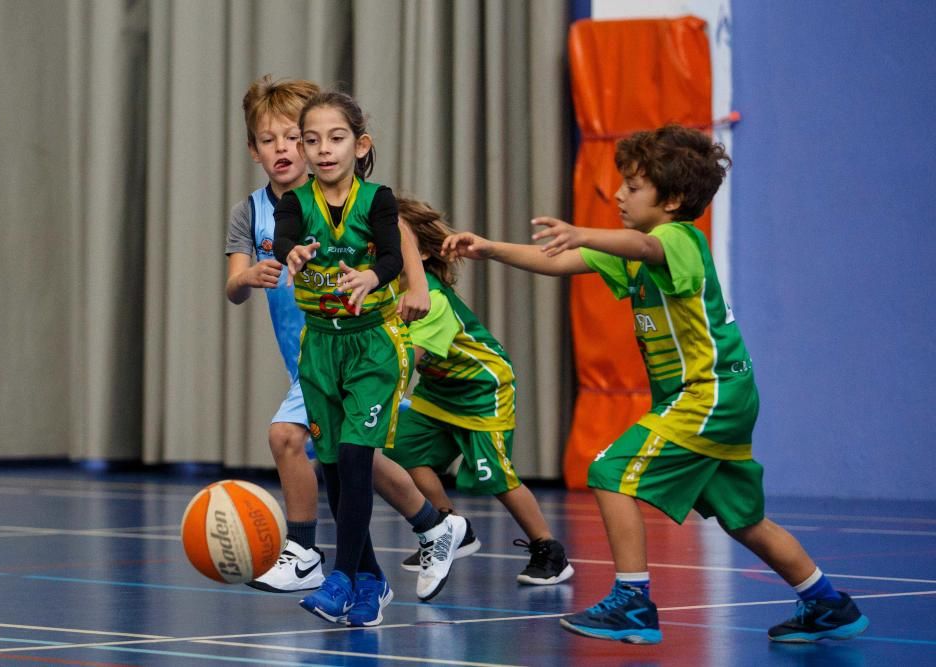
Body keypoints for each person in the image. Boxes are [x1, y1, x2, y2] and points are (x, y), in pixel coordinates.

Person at [442, 124, 869, 644]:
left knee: (609, 471)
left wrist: (585, 231)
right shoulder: (635, 249)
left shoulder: (679, 239)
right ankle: (828, 605)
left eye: (633, 186)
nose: (619, 194)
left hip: (709, 392)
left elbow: (644, 244)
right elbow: (559, 261)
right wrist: (489, 248)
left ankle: (633, 602)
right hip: (713, 398)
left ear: (673, 199)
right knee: (744, 519)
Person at [224, 78, 465, 623]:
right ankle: (423, 534)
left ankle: (310, 553)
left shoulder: (353, 196)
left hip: (367, 346)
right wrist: (262, 270)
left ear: (352, 145)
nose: (286, 149)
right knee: (352, 464)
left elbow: (398, 232)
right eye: (273, 140)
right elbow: (238, 282)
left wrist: (418, 286)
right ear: (254, 150)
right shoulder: (262, 211)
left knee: (298, 441)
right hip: (314, 353)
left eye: (295, 137)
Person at [389, 196, 575, 586]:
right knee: (402, 451)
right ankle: (448, 528)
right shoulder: (384, 290)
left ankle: (549, 549)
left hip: (481, 388)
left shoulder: (432, 303)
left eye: (393, 238)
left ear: (421, 253)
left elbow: (401, 367)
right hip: (440, 389)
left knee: (495, 475)